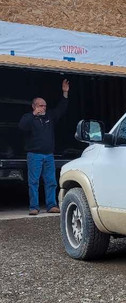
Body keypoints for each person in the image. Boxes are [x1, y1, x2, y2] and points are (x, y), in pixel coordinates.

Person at [18, 78, 70, 215]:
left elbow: (61, 109)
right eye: (41, 106)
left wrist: (65, 93)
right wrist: (33, 115)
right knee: (33, 182)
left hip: (48, 155)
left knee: (51, 181)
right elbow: (22, 126)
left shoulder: (50, 117)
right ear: (34, 106)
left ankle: (51, 205)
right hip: (34, 155)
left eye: (45, 106)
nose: (44, 108)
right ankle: (34, 207)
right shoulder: (28, 117)